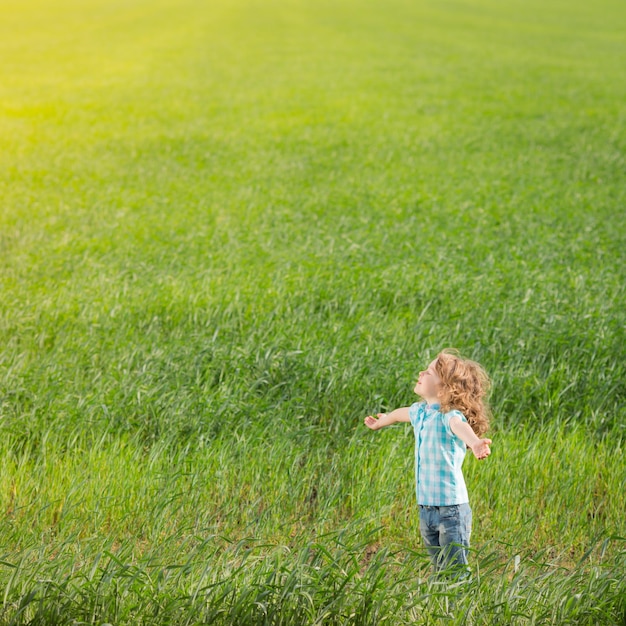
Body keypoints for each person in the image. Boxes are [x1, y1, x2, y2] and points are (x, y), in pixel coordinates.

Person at [364, 349, 492, 579]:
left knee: (455, 567)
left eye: (430, 371)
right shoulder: (420, 412)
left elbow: (461, 428)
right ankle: (443, 600)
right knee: (439, 565)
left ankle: (460, 600)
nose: (422, 372)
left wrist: (474, 443)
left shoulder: (448, 416)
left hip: (451, 510)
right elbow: (398, 414)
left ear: (445, 387)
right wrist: (381, 422)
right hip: (426, 508)